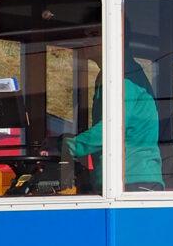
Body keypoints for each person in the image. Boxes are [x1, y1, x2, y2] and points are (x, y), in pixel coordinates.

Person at [64, 59, 164, 191]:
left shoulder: (123, 74)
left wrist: (67, 146)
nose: (82, 42)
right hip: (124, 178)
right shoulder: (114, 71)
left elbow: (113, 128)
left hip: (131, 179)